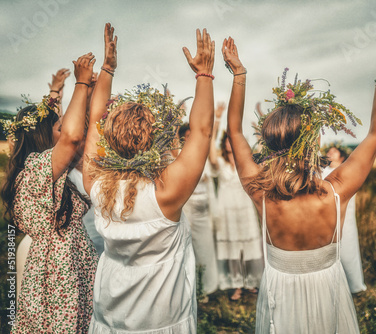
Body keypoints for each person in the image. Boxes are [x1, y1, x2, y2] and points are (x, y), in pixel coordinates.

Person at [222, 30, 376, 333]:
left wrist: (239, 75)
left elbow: (235, 132)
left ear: (269, 144)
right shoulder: (336, 191)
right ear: (310, 144)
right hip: (328, 292)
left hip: (281, 293)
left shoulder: (262, 194)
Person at [83, 24, 215, 333]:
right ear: (154, 140)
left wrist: (107, 69)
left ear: (110, 140)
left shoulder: (96, 185)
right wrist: (205, 75)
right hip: (163, 320)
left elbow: (92, 123)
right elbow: (203, 130)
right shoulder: (166, 193)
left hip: (111, 315)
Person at [1, 53, 98, 333]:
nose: (65, 128)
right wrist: (80, 83)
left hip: (69, 265)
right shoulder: (35, 171)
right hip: (57, 275)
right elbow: (72, 136)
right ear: (44, 136)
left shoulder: (44, 170)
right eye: (58, 127)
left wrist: (87, 90)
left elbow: (71, 127)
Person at [209, 103, 263, 301]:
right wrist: (217, 119)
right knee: (231, 246)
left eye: (234, 140)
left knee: (249, 245)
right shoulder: (220, 163)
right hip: (226, 209)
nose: (231, 144)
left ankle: (251, 282)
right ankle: (235, 285)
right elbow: (210, 147)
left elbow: (261, 150)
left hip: (245, 209)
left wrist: (258, 127)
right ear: (224, 144)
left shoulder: (246, 163)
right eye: (228, 141)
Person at [179, 122, 219, 296]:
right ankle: (192, 287)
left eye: (191, 136)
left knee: (206, 247)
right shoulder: (178, 156)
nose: (189, 140)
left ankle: (209, 285)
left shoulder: (202, 155)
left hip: (203, 209)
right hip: (188, 210)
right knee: (188, 248)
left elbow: (212, 175)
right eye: (186, 137)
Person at [322, 143, 367, 294]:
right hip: (324, 216)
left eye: (334, 151)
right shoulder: (322, 171)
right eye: (328, 151)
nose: (330, 153)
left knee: (347, 249)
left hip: (344, 214)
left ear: (341, 155)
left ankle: (354, 285)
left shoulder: (347, 171)